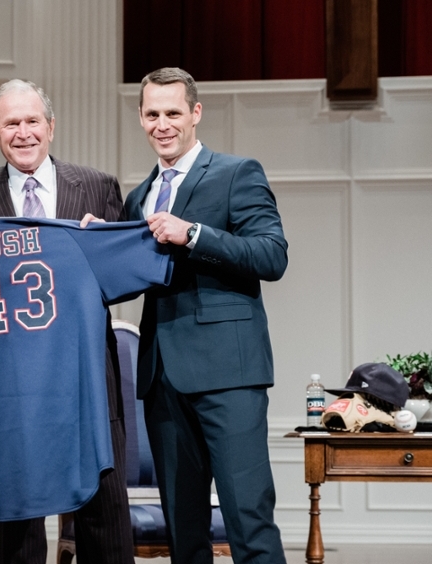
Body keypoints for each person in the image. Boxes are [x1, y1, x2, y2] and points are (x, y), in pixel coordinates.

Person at [0, 79, 134, 564]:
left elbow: (124, 282)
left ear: (51, 127)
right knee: (16, 520)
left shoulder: (97, 186)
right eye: (11, 123)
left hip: (88, 379)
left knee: (105, 515)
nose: (23, 132)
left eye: (33, 121)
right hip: (9, 387)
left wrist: (107, 250)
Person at [124, 67, 289, 564]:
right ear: (141, 118)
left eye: (173, 112)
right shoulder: (139, 196)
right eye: (152, 114)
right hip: (162, 381)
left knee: (248, 518)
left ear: (195, 113)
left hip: (229, 376)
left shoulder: (238, 172)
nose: (162, 124)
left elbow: (271, 255)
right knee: (184, 531)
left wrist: (193, 234)